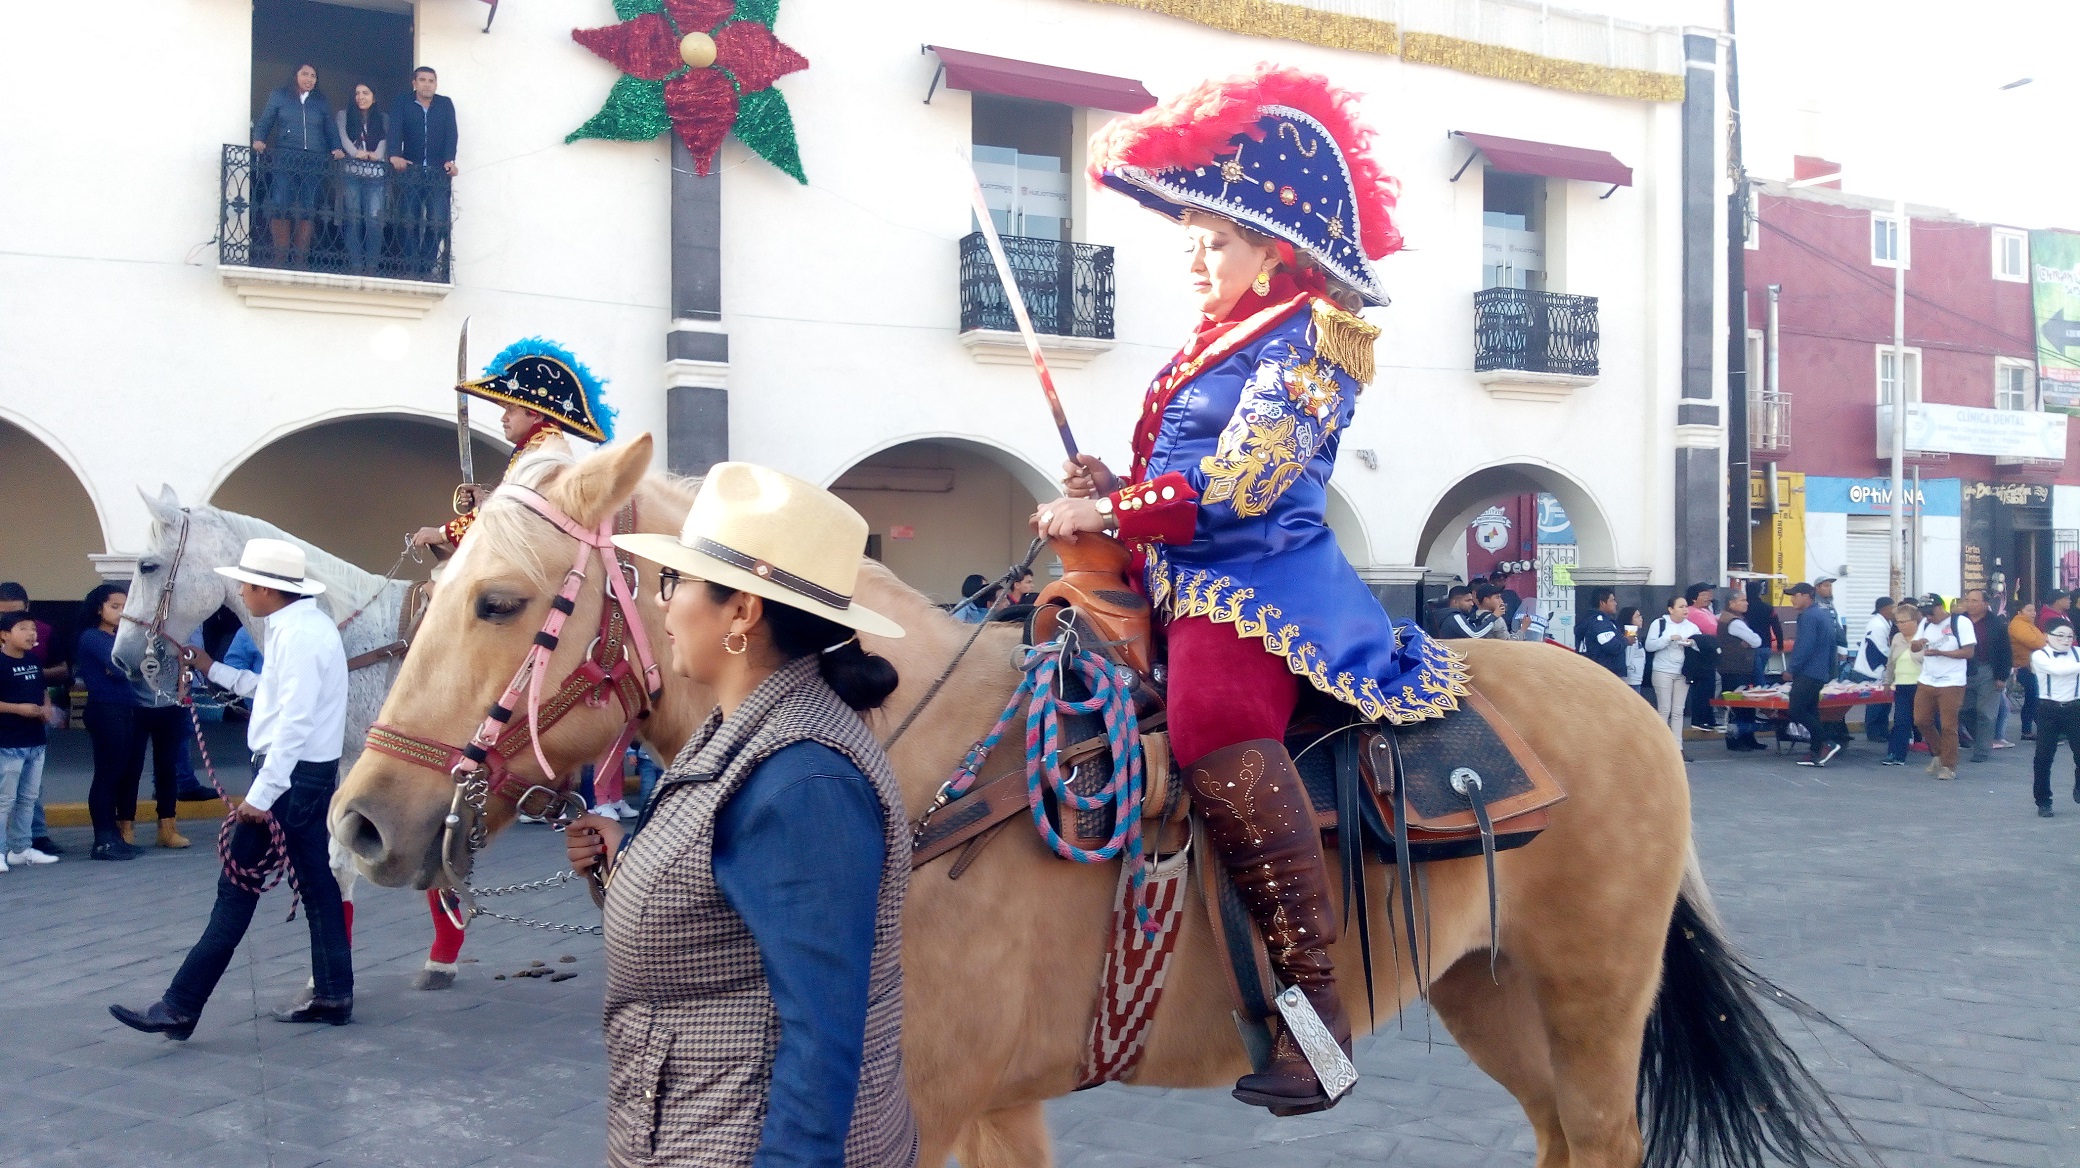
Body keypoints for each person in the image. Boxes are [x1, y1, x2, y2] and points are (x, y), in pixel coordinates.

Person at [1035, 66, 1466, 1113]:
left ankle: (1312, 1013)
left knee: (1211, 720)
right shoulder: (1205, 345)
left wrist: (1113, 512)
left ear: (1272, 248)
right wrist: (1112, 488)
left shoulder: (1315, 333)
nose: (1193, 254)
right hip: (1176, 576)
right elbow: (1174, 478)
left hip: (1258, 587)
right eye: (1188, 234)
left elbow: (1245, 481)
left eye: (1213, 237)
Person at [567, 463, 915, 1165]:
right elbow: (726, 901)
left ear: (742, 612)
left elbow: (823, 1030)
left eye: (676, 584)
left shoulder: (802, 779)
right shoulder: (745, 729)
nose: (663, 607)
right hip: (696, 1121)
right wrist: (627, 855)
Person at [110, 539, 352, 1038]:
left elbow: (295, 721)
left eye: (246, 583)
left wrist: (261, 796)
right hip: (302, 776)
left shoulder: (298, 635)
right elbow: (276, 695)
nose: (241, 591)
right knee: (317, 886)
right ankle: (333, 994)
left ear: (267, 590)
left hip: (289, 777)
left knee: (237, 887)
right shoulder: (301, 627)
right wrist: (211, 669)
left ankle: (180, 1004)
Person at [412, 339, 614, 557]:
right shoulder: (539, 446)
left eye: (510, 409)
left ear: (534, 413)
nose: (503, 418)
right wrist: (485, 499)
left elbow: (511, 510)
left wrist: (443, 533)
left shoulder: (545, 453)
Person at [76, 585, 144, 860]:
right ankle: (102, 840)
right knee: (107, 775)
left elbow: (131, 666)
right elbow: (120, 668)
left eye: (124, 607)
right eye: (114, 606)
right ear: (98, 609)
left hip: (124, 708)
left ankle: (113, 836)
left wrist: (129, 666)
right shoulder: (92, 636)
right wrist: (129, 666)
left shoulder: (116, 637)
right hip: (105, 710)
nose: (121, 612)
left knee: (120, 773)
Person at [252, 64, 342, 269]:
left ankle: (300, 259)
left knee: (308, 206)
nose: (309, 79)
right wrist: (259, 138)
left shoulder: (321, 102)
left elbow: (330, 127)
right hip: (286, 155)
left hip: (314, 159)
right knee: (280, 202)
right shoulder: (280, 96)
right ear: (295, 76)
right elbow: (266, 119)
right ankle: (281, 257)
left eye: (313, 76)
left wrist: (336, 147)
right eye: (305, 74)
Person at [0, 583, 65, 856]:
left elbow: (54, 677)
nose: (30, 634)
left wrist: (45, 704)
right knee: (5, 797)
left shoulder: (37, 650)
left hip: (34, 732)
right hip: (8, 735)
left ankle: (26, 843)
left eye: (31, 627)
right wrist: (19, 707)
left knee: (29, 793)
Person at [390, 66, 459, 278]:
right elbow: (395, 129)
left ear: (436, 84)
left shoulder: (445, 104)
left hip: (437, 172)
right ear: (414, 83)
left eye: (431, 80)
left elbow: (451, 134)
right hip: (411, 169)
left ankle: (426, 265)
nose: (427, 84)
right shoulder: (403, 102)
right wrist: (394, 154)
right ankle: (411, 266)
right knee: (409, 219)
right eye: (422, 80)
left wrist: (449, 160)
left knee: (438, 222)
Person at [1911, 593, 1974, 780]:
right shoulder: (1925, 623)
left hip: (1952, 681)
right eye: (1924, 613)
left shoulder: (1960, 622)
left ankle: (1948, 765)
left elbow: (1969, 652)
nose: (1928, 617)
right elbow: (1914, 647)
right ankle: (1938, 753)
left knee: (1948, 725)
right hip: (1927, 678)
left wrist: (1940, 652)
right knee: (1921, 720)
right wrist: (1917, 644)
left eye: (1931, 612)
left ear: (1940, 607)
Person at [1786, 583, 1843, 767]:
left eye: (1795, 595)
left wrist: (1792, 668)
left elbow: (1805, 646)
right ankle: (1815, 749)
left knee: (1796, 709)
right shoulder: (1822, 613)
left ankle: (1825, 742)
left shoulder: (1809, 616)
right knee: (1811, 710)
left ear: (1807, 596)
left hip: (1808, 671)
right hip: (1819, 671)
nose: (1792, 599)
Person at [336, 83, 390, 275]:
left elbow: (386, 139)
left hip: (376, 175)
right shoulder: (344, 115)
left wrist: (377, 154)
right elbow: (342, 136)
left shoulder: (383, 119)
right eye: (357, 93)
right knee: (353, 219)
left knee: (374, 220)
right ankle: (356, 264)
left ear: (374, 98)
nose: (360, 97)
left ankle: (372, 265)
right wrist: (355, 152)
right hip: (352, 174)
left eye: (365, 93)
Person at [2027, 621, 2080, 817]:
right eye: (2060, 635)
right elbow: (2058, 670)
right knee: (2043, 757)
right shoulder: (2040, 655)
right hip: (2048, 709)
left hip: (2075, 707)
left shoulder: (2077, 653)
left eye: (2069, 636)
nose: (2065, 640)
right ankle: (2043, 801)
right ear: (2047, 636)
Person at [1959, 589, 2012, 764]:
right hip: (1962, 671)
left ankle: (1981, 751)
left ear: (1985, 604)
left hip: (1987, 670)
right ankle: (1981, 739)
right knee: (1963, 710)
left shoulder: (1995, 623)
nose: (1970, 604)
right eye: (1968, 600)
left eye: (1975, 601)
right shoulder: (1959, 621)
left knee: (1986, 713)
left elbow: (2005, 652)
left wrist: (2002, 677)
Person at [1644, 596, 1700, 759]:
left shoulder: (1692, 626)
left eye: (1686, 606)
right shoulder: (1660, 623)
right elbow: (1650, 645)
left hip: (1683, 671)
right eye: (1681, 606)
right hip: (1663, 670)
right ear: (1671, 609)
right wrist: (1668, 639)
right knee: (1664, 709)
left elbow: (1701, 645)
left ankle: (1677, 747)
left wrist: (1692, 643)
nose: (1685, 610)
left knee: (1678, 711)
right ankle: (1659, 747)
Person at [1718, 591, 1765, 751]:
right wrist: (1749, 641)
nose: (1746, 603)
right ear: (1731, 603)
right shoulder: (1733, 622)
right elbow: (1757, 641)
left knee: (1746, 705)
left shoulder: (1730, 618)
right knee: (1738, 707)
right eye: (1742, 600)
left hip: (1737, 668)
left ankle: (1748, 738)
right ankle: (1735, 740)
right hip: (1735, 669)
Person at [1880, 601, 1924, 765]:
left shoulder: (1924, 636)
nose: (1901, 625)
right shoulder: (1897, 638)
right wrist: (1887, 681)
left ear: (1915, 621)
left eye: (1904, 621)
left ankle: (1940, 753)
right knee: (1901, 721)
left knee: (1925, 720)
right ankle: (1896, 754)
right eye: (1898, 621)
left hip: (1921, 685)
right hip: (1902, 684)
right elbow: (1891, 662)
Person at [1854, 597, 1895, 744]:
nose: (1894, 610)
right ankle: (1873, 732)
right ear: (1883, 609)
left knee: (1885, 701)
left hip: (1880, 668)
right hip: (1872, 668)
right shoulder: (1877, 624)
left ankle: (1882, 730)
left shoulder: (1887, 622)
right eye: (1892, 607)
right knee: (1875, 701)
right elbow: (1881, 649)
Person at [1682, 582, 1720, 732]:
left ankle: (1709, 718)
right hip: (1699, 656)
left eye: (1709, 594)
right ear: (1693, 598)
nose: (1708, 597)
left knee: (1709, 688)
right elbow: (1713, 629)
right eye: (1703, 595)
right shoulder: (1693, 612)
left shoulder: (1706, 611)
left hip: (1708, 655)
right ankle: (1699, 719)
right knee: (1701, 689)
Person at [1577, 587, 1628, 679]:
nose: (1615, 604)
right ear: (1602, 603)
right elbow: (1612, 646)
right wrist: (1626, 640)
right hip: (1605, 674)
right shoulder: (1599, 622)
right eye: (1612, 601)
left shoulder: (1602, 621)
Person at [1617, 605, 1650, 700]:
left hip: (1636, 677)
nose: (1641, 619)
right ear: (1629, 619)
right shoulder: (1630, 633)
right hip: (1631, 678)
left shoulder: (1634, 635)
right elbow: (1628, 656)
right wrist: (1631, 669)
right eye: (1637, 616)